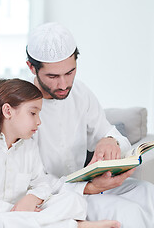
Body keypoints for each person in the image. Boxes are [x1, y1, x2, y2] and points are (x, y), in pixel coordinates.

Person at [26, 22, 154, 227]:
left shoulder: (79, 92)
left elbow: (108, 132)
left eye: (69, 72)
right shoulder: (20, 104)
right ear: (31, 67)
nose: (63, 85)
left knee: (148, 192)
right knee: (127, 212)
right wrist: (89, 188)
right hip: (54, 196)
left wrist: (109, 140)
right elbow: (26, 179)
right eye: (53, 76)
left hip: (86, 185)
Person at [0, 78, 120, 228]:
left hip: (30, 211)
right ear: (8, 111)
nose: (39, 121)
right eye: (33, 113)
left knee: (74, 200)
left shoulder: (29, 147)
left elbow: (41, 183)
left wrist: (33, 197)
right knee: (1, 223)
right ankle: (75, 226)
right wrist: (12, 209)